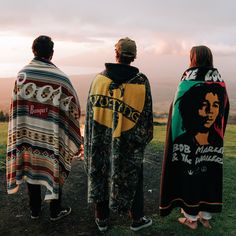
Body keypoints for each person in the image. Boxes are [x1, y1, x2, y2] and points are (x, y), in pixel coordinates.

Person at [6, 35, 82, 221]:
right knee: (53, 166)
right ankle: (55, 211)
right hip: (52, 135)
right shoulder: (61, 79)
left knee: (32, 166)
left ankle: (35, 210)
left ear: (34, 50)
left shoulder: (22, 76)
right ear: (52, 53)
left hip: (28, 133)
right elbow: (75, 109)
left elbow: (16, 108)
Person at [84, 37, 153, 232]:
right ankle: (136, 219)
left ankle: (102, 219)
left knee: (100, 173)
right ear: (134, 57)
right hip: (130, 143)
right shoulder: (141, 82)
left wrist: (91, 140)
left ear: (116, 54)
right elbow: (147, 116)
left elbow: (90, 116)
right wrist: (141, 141)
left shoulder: (99, 80)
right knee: (133, 177)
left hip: (100, 142)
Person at [159, 45, 230, 230]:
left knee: (190, 174)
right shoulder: (220, 81)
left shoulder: (187, 79)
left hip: (187, 142)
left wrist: (176, 137)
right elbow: (225, 109)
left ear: (194, 59)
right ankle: (206, 216)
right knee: (209, 173)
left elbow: (177, 111)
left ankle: (191, 218)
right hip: (214, 142)